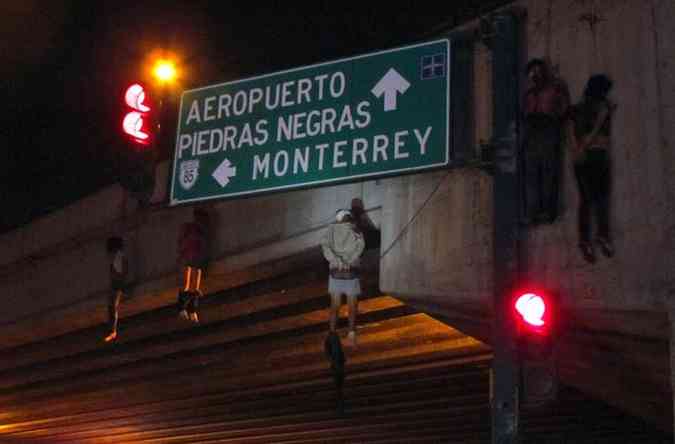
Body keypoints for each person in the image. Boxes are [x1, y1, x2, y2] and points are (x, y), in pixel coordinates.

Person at [568, 74, 616, 263]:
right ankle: (587, 240)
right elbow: (584, 141)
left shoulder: (594, 108)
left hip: (596, 157)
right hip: (589, 158)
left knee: (598, 199)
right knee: (589, 200)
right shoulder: (585, 111)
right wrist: (602, 119)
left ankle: (597, 237)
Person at [522, 58, 570, 224]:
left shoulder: (554, 89)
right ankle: (532, 212)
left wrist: (556, 121)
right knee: (532, 175)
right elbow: (524, 114)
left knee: (549, 173)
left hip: (548, 130)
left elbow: (564, 108)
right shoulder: (529, 94)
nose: (534, 75)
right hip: (532, 133)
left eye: (537, 71)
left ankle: (548, 211)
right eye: (531, 73)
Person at [321, 209, 365, 346]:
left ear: (338, 219)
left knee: (335, 305)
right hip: (351, 272)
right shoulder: (356, 229)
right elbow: (360, 247)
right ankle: (351, 334)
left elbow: (325, 247)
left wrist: (337, 261)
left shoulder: (330, 230)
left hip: (336, 272)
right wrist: (348, 261)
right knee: (352, 305)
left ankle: (332, 334)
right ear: (349, 216)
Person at [177, 208, 210, 323]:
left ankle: (191, 310)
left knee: (194, 287)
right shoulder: (191, 228)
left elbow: (202, 246)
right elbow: (182, 241)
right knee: (187, 285)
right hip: (189, 257)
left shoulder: (200, 231)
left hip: (195, 258)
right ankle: (183, 309)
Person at [104, 236, 128, 342]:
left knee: (112, 306)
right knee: (112, 306)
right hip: (118, 284)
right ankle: (112, 330)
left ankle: (113, 330)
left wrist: (117, 285)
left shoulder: (118, 257)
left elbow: (120, 273)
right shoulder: (118, 257)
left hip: (118, 285)